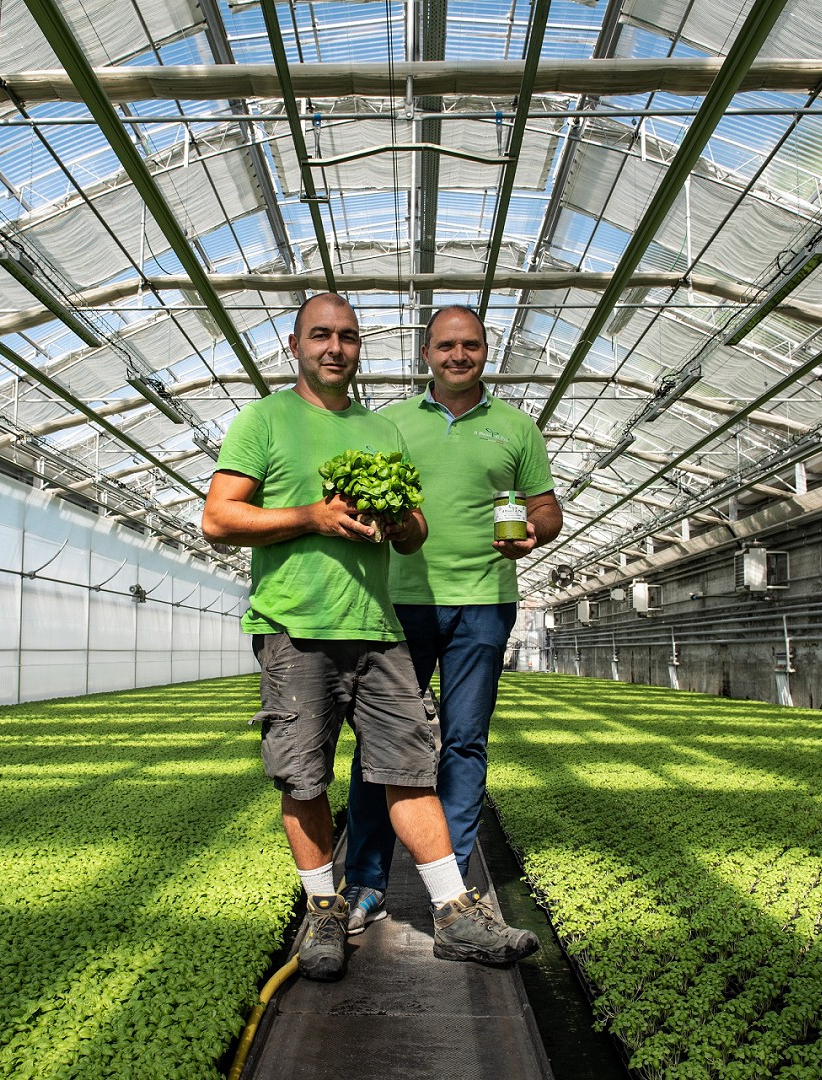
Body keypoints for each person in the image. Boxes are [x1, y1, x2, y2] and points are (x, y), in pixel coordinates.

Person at [201, 292, 539, 982]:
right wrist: (313, 517)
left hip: (379, 624)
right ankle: (325, 910)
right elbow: (219, 518)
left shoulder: (382, 432)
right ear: (293, 347)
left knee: (409, 766)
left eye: (348, 337)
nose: (335, 347)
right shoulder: (264, 420)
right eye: (320, 335)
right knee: (304, 776)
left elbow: (412, 531)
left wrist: (401, 522)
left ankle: (455, 914)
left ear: (360, 348)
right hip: (296, 625)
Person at [341, 304, 562, 935]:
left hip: (485, 601)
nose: (457, 356)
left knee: (465, 742)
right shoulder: (390, 424)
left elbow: (547, 511)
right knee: (382, 748)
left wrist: (533, 537)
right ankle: (364, 882)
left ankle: (455, 890)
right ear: (426, 354)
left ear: (486, 351)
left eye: (469, 345)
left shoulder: (517, 428)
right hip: (399, 601)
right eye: (445, 346)